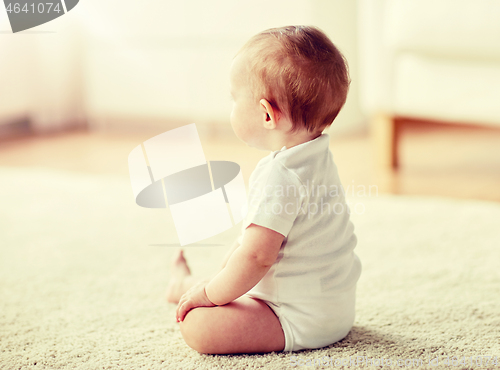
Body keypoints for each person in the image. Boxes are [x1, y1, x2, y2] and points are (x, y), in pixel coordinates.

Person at [166, 25, 361, 354]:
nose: (231, 106)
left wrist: (210, 296)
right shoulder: (317, 156)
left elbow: (257, 257)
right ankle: (185, 285)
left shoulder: (280, 175)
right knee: (232, 268)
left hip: (295, 317)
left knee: (198, 325)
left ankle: (189, 287)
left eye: (234, 98)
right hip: (337, 313)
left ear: (267, 114)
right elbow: (254, 247)